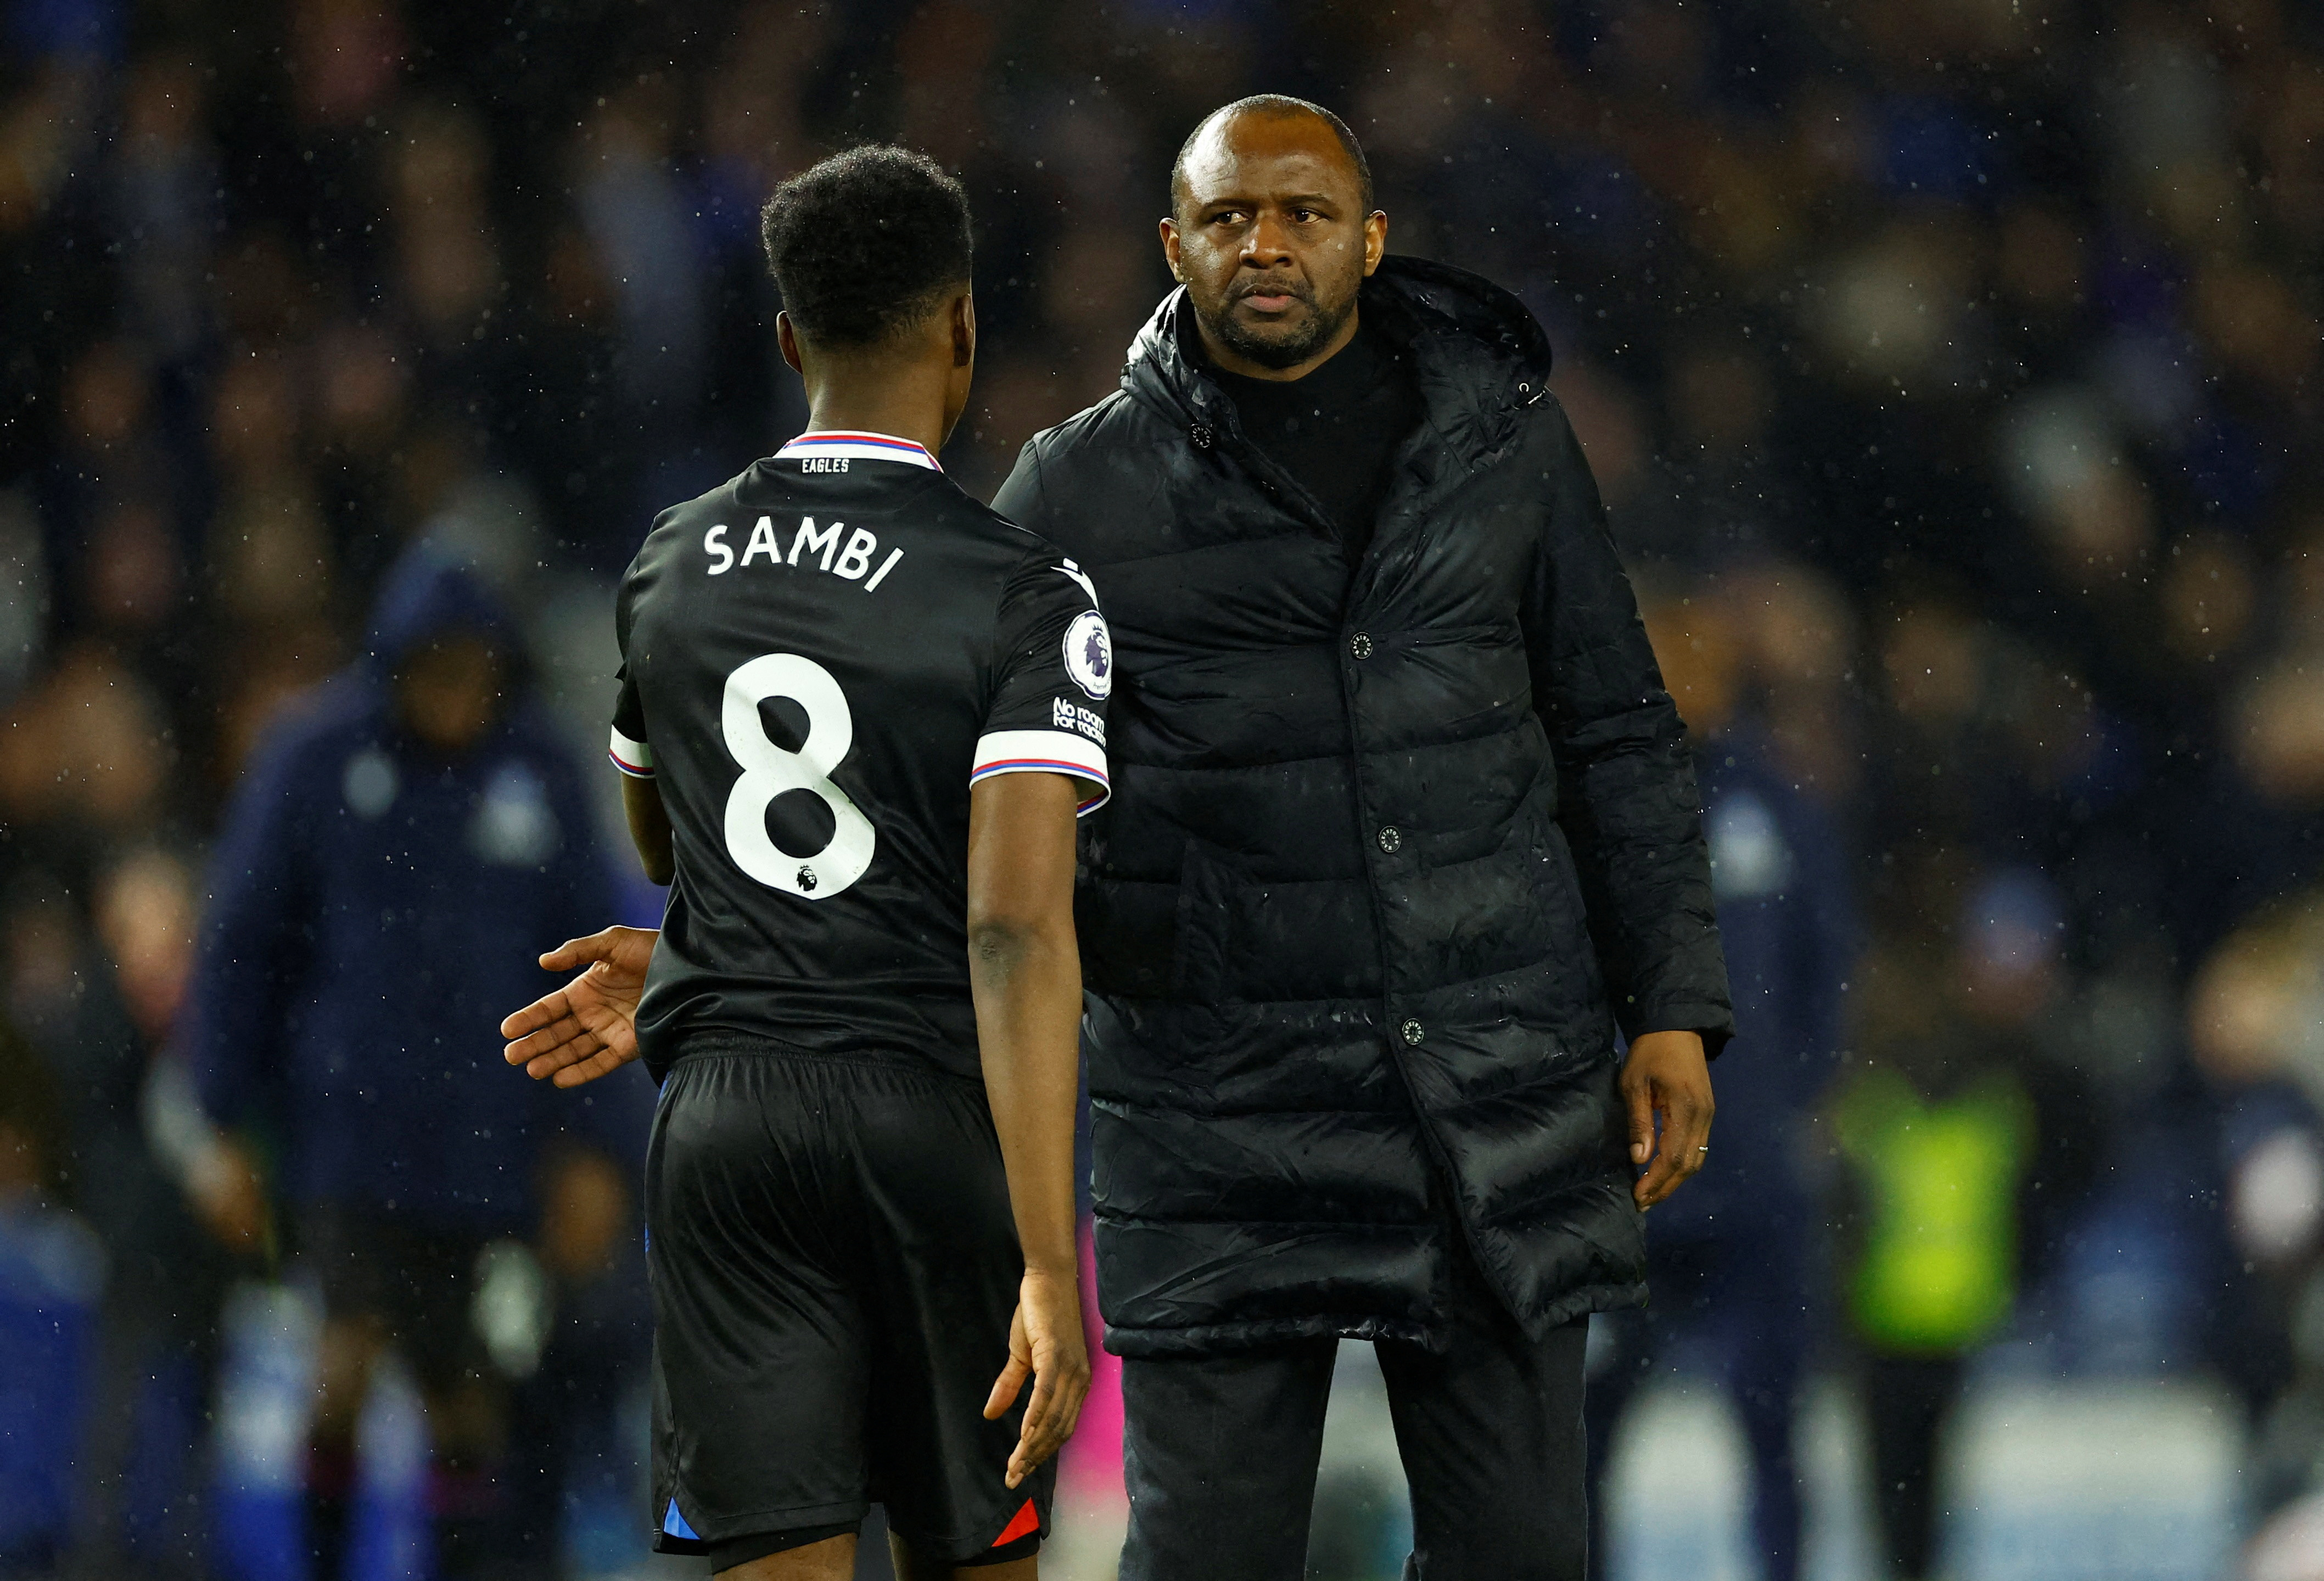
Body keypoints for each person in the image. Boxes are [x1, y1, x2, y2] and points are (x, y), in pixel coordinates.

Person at [509, 101, 1731, 1580]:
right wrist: (749, 947)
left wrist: (1669, 1002)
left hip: (1486, 1103)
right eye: (1228, 218)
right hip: (1216, 1122)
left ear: (1371, 239)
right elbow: (979, 852)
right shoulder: (1072, 494)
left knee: (1525, 1562)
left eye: (1302, 213)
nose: (1265, 243)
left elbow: (1614, 730)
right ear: (1173, 246)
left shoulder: (1508, 451)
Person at [501, 146, 1098, 1580]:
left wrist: (721, 950)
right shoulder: (1020, 590)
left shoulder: (670, 562)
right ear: (960, 324)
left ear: (785, 339)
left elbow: (675, 844)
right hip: (931, 1116)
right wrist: (1045, 1260)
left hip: (728, 1127)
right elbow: (1014, 933)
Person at [181, 543, 636, 1581]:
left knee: (467, 1401)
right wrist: (221, 1123)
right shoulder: (316, 757)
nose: (456, 694)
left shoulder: (540, 773)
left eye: (475, 671)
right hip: (349, 1143)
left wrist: (594, 1147)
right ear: (394, 663)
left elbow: (597, 966)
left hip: (490, 1152)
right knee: (340, 1372)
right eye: (437, 669)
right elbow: (241, 948)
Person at [1584, 590, 1855, 1581]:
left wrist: (1793, 1098)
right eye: (1662, 650)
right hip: (1627, 1176)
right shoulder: (1582, 800)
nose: (1681, 672)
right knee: (1585, 1434)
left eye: (1697, 650)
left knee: (1773, 1422)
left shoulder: (1774, 801)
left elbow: (1828, 960)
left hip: (1754, 1181)